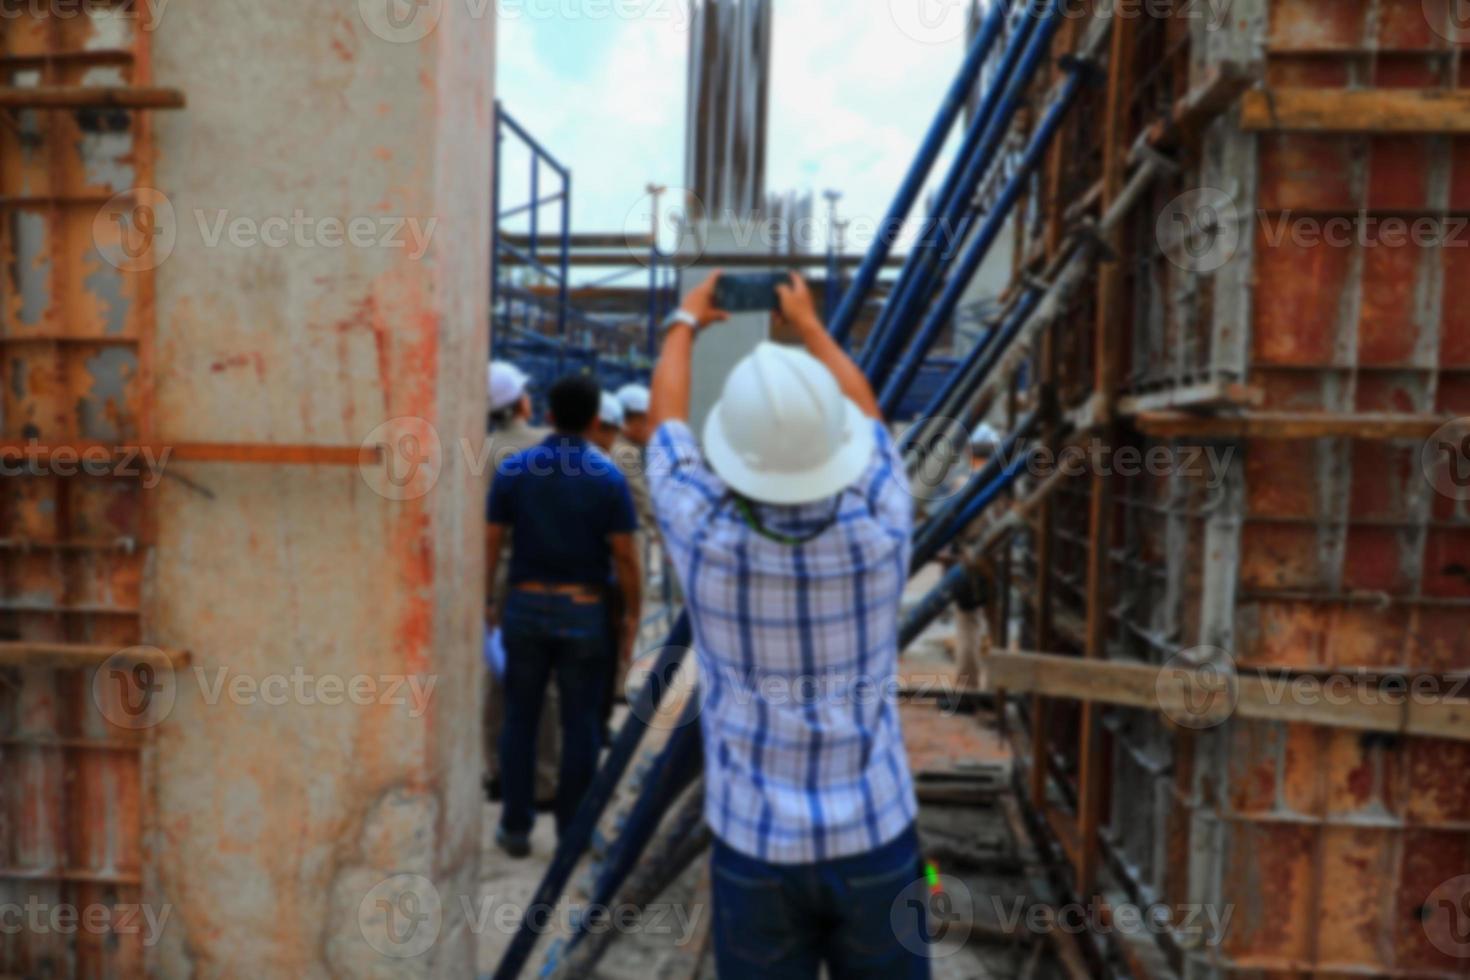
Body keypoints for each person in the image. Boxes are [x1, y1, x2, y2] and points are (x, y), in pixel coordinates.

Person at [646, 272, 930, 977]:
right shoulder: (882, 527)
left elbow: (665, 430)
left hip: (755, 851)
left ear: (736, 455)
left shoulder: (705, 538)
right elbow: (872, 423)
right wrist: (809, 326)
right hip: (878, 840)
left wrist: (683, 320)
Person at [486, 374, 642, 857]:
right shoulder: (608, 478)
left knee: (520, 719)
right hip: (585, 611)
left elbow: (491, 541)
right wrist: (632, 613)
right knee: (581, 726)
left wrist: (488, 601)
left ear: (549, 415)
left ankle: (515, 827)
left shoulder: (515, 470)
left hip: (526, 606)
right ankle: (572, 831)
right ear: (598, 421)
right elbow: (624, 555)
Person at [482, 361, 560, 809]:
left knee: (496, 680)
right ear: (521, 403)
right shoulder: (546, 447)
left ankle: (496, 772)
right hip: (535, 575)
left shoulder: (481, 449)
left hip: (494, 576)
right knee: (543, 682)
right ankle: (544, 780)